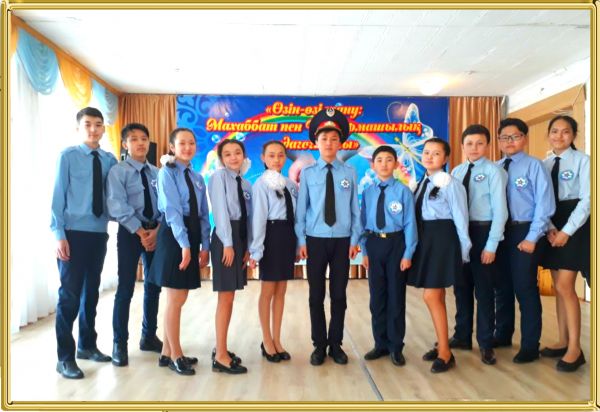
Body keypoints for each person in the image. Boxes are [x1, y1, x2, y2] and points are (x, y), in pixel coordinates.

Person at [51, 107, 117, 379]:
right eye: (88, 124)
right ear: (78, 128)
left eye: (98, 124)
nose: (93, 129)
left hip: (99, 233)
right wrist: (59, 234)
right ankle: (64, 358)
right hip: (73, 234)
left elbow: (115, 194)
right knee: (69, 296)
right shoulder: (67, 156)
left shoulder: (110, 160)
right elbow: (58, 196)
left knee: (91, 293)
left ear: (103, 129)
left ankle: (87, 346)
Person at [295, 108, 362, 366]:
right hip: (315, 240)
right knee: (316, 296)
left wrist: (354, 240)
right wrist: (301, 241)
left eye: (334, 139)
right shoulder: (308, 173)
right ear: (316, 142)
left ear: (340, 143)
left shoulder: (349, 172)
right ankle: (319, 345)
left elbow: (355, 209)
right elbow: (301, 211)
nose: (329, 143)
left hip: (343, 241)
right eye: (324, 139)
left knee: (339, 296)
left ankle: (336, 344)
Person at [146, 128, 210, 376]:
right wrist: (184, 245)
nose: (187, 147)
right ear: (172, 147)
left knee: (179, 297)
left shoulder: (197, 177)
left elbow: (203, 214)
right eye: (182, 143)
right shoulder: (167, 172)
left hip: (191, 234)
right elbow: (172, 211)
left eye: (191, 143)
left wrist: (204, 245)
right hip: (174, 235)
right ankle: (176, 355)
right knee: (175, 297)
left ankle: (166, 352)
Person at [494, 118, 555, 363]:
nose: (509, 141)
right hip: (500, 233)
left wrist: (532, 237)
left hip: (525, 230)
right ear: (498, 141)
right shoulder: (496, 167)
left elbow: (544, 204)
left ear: (525, 138)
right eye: (504, 137)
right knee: (502, 286)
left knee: (525, 287)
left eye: (515, 136)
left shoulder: (535, 166)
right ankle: (503, 334)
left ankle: (530, 345)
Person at [407, 138, 471, 373]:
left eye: (436, 153)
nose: (429, 157)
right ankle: (443, 344)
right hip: (425, 240)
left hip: (443, 240)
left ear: (445, 158)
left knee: (431, 296)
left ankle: (445, 353)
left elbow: (461, 218)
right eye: (426, 152)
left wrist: (464, 250)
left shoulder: (451, 184)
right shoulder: (419, 183)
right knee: (437, 296)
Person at [450, 124, 508, 365]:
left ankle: (485, 342)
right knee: (461, 287)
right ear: (462, 146)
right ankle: (462, 335)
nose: (474, 148)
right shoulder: (456, 171)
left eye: (479, 143)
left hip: (484, 231)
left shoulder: (494, 171)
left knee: (483, 291)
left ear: (488, 145)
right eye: (469, 143)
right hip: (461, 233)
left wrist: (491, 245)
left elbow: (501, 211)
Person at [106, 123, 163, 367]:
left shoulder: (158, 173)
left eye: (144, 138)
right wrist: (141, 232)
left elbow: (165, 204)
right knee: (126, 288)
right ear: (125, 144)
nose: (140, 143)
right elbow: (117, 205)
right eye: (134, 139)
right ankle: (119, 343)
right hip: (130, 233)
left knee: (154, 286)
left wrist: (156, 231)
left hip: (156, 232)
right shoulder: (118, 171)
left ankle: (149, 336)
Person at [539, 115, 589, 372]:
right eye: (554, 131)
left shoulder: (583, 161)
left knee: (565, 286)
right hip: (552, 224)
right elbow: (541, 200)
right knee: (559, 288)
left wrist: (566, 231)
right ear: (548, 134)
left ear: (574, 135)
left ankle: (575, 348)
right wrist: (550, 228)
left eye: (565, 131)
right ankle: (562, 340)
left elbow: (588, 200)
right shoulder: (544, 164)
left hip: (576, 226)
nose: (559, 136)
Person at [360, 145, 417, 367]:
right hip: (374, 243)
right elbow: (363, 222)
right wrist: (365, 251)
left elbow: (410, 223)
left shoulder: (403, 191)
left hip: (396, 245)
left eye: (389, 160)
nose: (384, 164)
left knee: (396, 297)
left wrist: (408, 253)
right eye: (379, 160)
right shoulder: (368, 192)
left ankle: (396, 346)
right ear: (373, 165)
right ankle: (380, 344)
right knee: (377, 298)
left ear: (396, 164)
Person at [249, 140, 298, 363]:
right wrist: (256, 250)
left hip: (287, 236)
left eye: (280, 155)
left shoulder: (290, 184)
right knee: (267, 290)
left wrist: (297, 243)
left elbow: (295, 215)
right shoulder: (261, 185)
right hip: (270, 236)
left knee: (281, 291)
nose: (276, 159)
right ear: (263, 158)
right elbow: (258, 218)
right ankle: (266, 340)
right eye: (271, 155)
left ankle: (277, 339)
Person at [209, 139, 253, 374]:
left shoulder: (245, 183)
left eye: (237, 153)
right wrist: (228, 243)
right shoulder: (218, 177)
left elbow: (249, 216)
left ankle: (221, 348)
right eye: (227, 154)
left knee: (230, 296)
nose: (233, 157)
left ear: (243, 155)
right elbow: (220, 212)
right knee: (225, 297)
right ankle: (221, 356)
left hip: (239, 238)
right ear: (221, 159)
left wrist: (246, 246)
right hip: (225, 238)